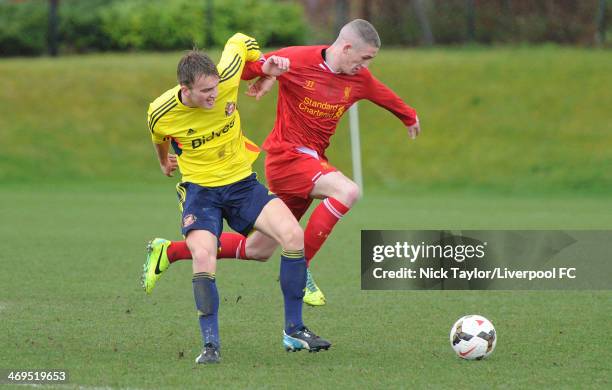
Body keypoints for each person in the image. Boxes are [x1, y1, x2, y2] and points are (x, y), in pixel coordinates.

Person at [146, 19, 420, 306]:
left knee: (258, 249)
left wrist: (409, 116)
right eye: (365, 58)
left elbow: (383, 94)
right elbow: (251, 67)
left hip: (312, 163)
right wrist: (266, 74)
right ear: (348, 47)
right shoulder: (298, 58)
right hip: (288, 156)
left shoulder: (359, 78)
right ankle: (303, 271)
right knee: (347, 190)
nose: (366, 66)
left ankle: (168, 252)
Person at [142, 33, 331, 364]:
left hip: (243, 184)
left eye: (215, 88)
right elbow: (158, 136)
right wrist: (163, 162)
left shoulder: (226, 74)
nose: (214, 96)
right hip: (201, 193)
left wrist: (265, 72)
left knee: (292, 235)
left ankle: (294, 330)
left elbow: (242, 41)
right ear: (184, 90)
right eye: (204, 92)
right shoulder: (162, 111)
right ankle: (210, 346)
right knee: (203, 256)